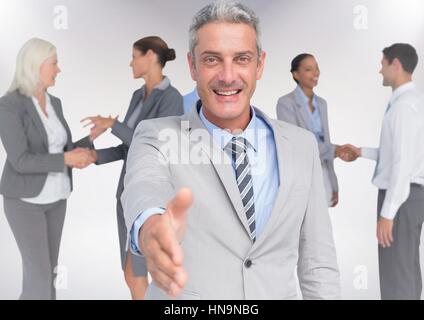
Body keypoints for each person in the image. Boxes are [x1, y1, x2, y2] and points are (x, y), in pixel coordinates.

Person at [121, 0, 340, 300]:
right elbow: (144, 186)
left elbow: (318, 266)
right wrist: (151, 230)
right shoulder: (156, 136)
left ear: (259, 65)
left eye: (241, 59)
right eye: (211, 59)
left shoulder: (301, 146)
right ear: (192, 66)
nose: (227, 75)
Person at [81, 36, 183, 299]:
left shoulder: (172, 99)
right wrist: (95, 156)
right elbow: (131, 147)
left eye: (134, 56)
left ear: (150, 56)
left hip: (154, 197)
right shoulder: (137, 96)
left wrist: (112, 125)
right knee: (131, 272)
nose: (130, 63)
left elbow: (152, 142)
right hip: (127, 194)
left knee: (150, 270)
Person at [0, 38, 95, 300]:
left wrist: (89, 141)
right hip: (25, 201)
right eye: (54, 63)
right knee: (39, 279)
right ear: (35, 66)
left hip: (57, 199)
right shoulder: (9, 106)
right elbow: (21, 160)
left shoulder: (55, 103)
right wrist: (66, 160)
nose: (59, 69)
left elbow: (61, 152)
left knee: (47, 276)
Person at [340, 43, 424, 300]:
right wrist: (361, 152)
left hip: (401, 197)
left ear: (395, 64)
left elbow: (402, 164)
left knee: (395, 272)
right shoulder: (413, 102)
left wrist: (388, 214)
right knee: (406, 268)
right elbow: (399, 153)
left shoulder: (402, 107)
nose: (380, 71)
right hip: (409, 196)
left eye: (383, 64)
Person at [276, 54, 355, 207]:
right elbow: (297, 144)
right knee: (302, 228)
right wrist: (337, 150)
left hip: (323, 173)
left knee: (321, 228)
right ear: (296, 74)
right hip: (301, 176)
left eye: (317, 68)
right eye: (308, 69)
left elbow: (325, 141)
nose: (315, 73)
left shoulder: (322, 104)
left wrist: (333, 184)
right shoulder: (286, 103)